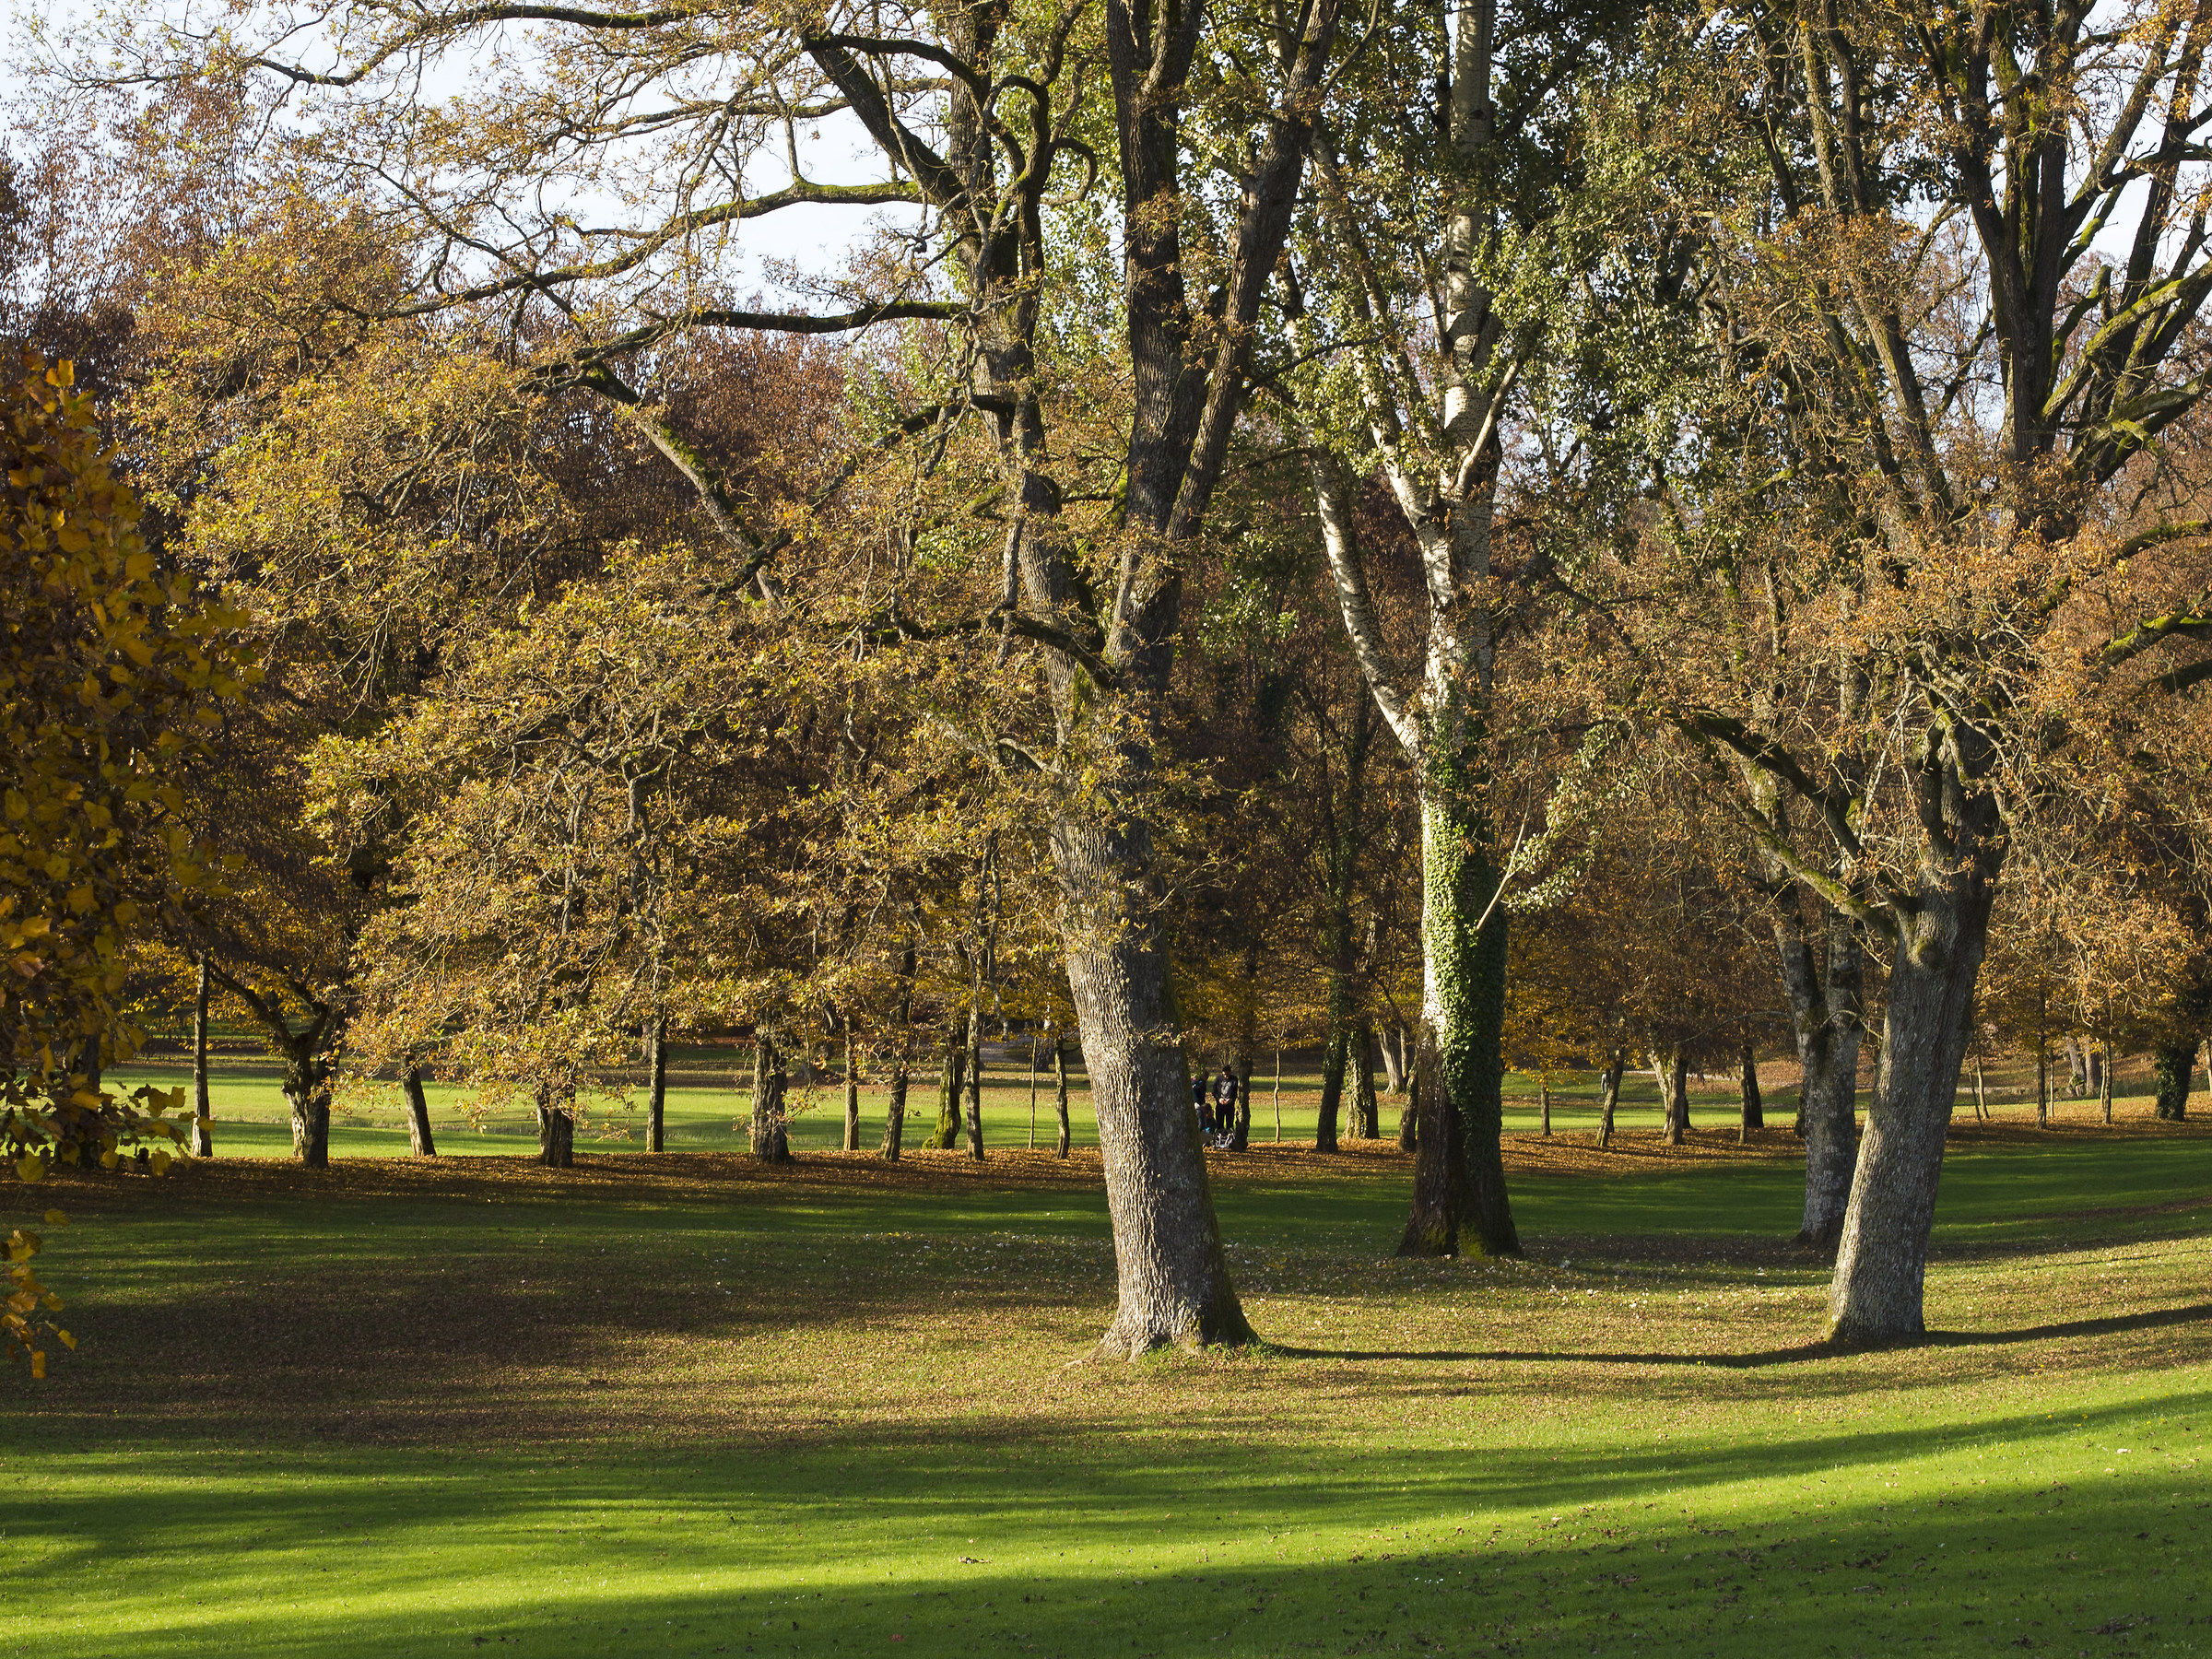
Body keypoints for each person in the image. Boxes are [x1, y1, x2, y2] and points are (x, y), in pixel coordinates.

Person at [1213, 1066, 1239, 1147]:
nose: (1226, 1076)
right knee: (1219, 1124)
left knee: (1229, 1124)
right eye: (1224, 1074)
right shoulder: (1218, 1079)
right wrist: (1219, 1099)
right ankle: (1219, 1141)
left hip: (1230, 1105)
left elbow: (1235, 1092)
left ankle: (1230, 1142)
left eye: (1227, 1074)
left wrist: (1231, 1099)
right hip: (1220, 1105)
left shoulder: (1234, 1079)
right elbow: (1214, 1092)